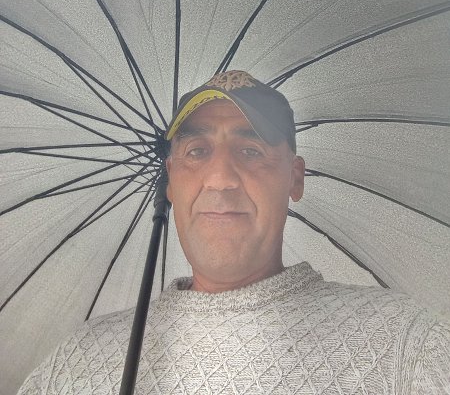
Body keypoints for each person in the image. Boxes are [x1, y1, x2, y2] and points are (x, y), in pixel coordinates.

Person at [18, 70, 450, 394]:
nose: (220, 178)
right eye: (197, 151)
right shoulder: (73, 363)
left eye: (250, 150)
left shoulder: (406, 346)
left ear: (294, 178)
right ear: (170, 181)